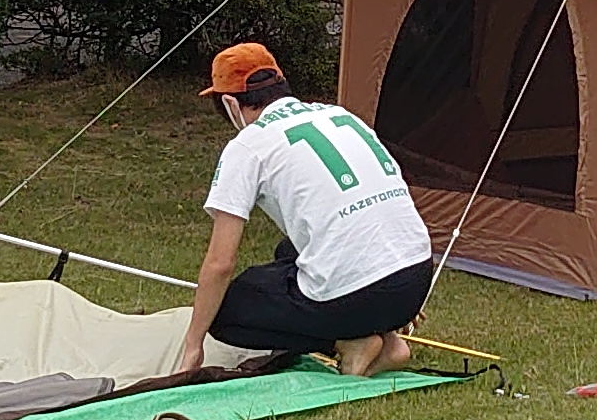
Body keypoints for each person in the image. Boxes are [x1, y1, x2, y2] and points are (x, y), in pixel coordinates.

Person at [171, 43, 437, 378]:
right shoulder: (342, 115)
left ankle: (348, 342)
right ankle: (387, 337)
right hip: (415, 278)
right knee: (289, 250)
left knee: (225, 310)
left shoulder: (249, 145)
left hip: (361, 293)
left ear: (229, 103)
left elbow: (220, 264)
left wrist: (194, 343)